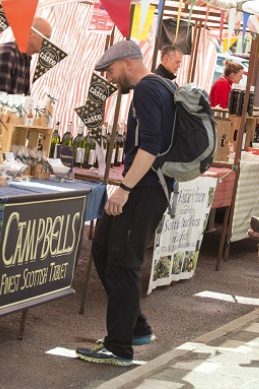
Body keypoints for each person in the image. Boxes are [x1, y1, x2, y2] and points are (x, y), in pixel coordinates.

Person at [75, 40, 175, 367]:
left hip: (145, 187)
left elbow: (151, 146)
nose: (109, 76)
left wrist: (125, 187)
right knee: (103, 247)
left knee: (123, 262)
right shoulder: (155, 86)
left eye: (111, 69)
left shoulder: (146, 89)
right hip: (146, 186)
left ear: (128, 64)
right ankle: (136, 327)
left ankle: (120, 347)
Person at [0, 17, 52, 95]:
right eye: (45, 37)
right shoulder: (8, 53)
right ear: (30, 33)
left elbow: (25, 99)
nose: (48, 43)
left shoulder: (26, 58)